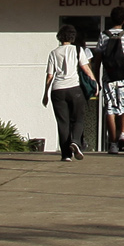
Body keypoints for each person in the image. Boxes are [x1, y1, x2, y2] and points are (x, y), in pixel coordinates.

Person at [93, 5, 124, 152]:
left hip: (108, 78)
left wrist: (95, 77)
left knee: (110, 110)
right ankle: (123, 134)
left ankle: (112, 143)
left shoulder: (104, 36)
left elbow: (98, 57)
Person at [44, 20, 94, 159]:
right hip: (75, 89)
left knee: (62, 122)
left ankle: (66, 154)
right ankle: (76, 142)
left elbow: (49, 75)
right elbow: (86, 68)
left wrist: (46, 94)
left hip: (57, 90)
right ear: (73, 37)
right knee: (78, 119)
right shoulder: (78, 50)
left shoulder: (53, 53)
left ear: (60, 37)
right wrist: (94, 83)